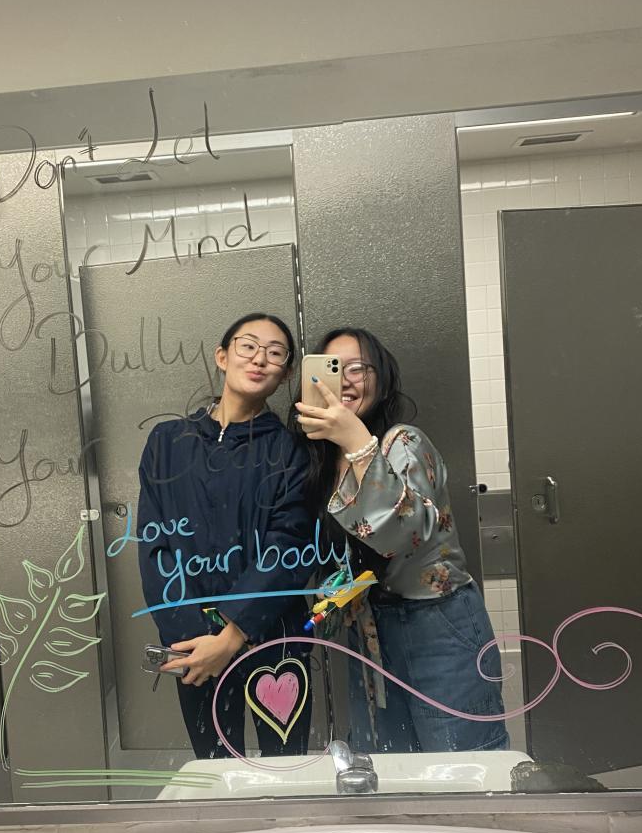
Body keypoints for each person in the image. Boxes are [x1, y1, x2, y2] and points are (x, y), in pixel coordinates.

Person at [295, 326, 508, 754]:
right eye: (334, 368)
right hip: (370, 630)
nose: (345, 380)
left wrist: (357, 443)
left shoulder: (403, 441)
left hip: (438, 622)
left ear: (382, 378)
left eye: (358, 368)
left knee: (463, 759)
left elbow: (402, 534)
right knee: (389, 762)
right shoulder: (322, 459)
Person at [137, 313, 315, 759]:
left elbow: (289, 546)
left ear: (286, 373)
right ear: (222, 356)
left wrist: (232, 636)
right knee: (215, 767)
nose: (259, 359)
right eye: (247, 346)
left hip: (274, 636)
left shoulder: (293, 451)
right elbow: (156, 546)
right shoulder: (167, 443)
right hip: (193, 642)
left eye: (275, 353)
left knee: (285, 766)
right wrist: (192, 637)